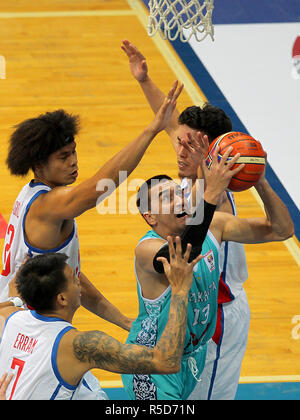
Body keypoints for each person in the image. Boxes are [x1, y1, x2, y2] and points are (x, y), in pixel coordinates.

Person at [0, 81, 182, 398]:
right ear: (39, 164)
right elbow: (100, 186)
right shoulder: (50, 206)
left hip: (16, 323)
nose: (73, 161)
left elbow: (74, 279)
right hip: (36, 331)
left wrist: (123, 320)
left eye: (74, 153)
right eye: (63, 157)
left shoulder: (31, 195)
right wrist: (151, 130)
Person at [121, 39, 249, 399]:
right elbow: (170, 126)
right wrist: (144, 80)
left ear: (210, 151)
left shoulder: (216, 190)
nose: (179, 146)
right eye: (180, 142)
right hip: (190, 308)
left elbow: (190, 250)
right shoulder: (186, 182)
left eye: (188, 143)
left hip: (217, 312)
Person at [121, 140, 294, 399]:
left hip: (192, 355)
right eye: (166, 198)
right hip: (153, 363)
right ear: (150, 217)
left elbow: (282, 229)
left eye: (178, 193)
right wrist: (211, 193)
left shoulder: (214, 225)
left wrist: (259, 180)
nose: (179, 199)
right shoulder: (146, 249)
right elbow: (183, 254)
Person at [0, 247, 202, 400]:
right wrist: (180, 290)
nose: (80, 282)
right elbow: (166, 362)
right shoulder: (80, 345)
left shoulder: (11, 318)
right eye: (74, 279)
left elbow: (7, 306)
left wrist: (16, 300)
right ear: (62, 299)